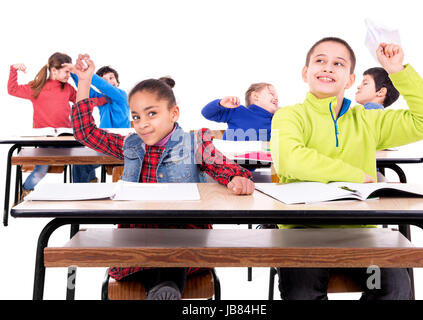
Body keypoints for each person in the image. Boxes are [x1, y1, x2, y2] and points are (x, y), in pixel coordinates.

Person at [270, 37, 423, 300]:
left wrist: (397, 71)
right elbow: (291, 160)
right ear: (306, 73)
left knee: (393, 285)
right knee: (302, 291)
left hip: (360, 235)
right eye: (320, 61)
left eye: (338, 64)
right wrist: (355, 175)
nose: (328, 68)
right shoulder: (290, 116)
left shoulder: (368, 120)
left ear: (350, 80)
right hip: (303, 233)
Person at [71, 53, 254, 300]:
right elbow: (85, 133)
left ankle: (164, 290)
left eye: (151, 114)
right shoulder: (131, 144)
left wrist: (235, 179)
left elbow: (226, 168)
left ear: (174, 113)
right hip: (137, 237)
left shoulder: (194, 143)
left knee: (173, 254)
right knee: (146, 257)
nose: (142, 124)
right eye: (135, 116)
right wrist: (84, 82)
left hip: (184, 236)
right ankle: (163, 290)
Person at [7, 52, 107, 198]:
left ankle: (89, 180)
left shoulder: (67, 88)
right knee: (41, 170)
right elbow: (12, 90)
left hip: (66, 137)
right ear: (54, 71)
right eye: (66, 72)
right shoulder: (37, 88)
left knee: (88, 153)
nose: (69, 75)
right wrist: (13, 69)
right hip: (46, 140)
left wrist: (103, 100)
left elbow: (82, 101)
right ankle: (24, 191)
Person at [71, 65, 130, 183]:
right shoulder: (101, 99)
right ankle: (87, 187)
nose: (109, 82)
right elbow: (84, 85)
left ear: (117, 82)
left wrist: (88, 74)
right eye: (104, 79)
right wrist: (73, 72)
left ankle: (89, 184)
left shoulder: (122, 96)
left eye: (111, 78)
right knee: (80, 163)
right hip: (105, 142)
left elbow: (105, 87)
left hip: (121, 145)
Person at [201, 83, 279, 141]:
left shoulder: (276, 121)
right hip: (229, 158)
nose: (276, 98)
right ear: (256, 96)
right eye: (272, 94)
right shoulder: (238, 111)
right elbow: (207, 113)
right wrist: (220, 104)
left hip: (260, 161)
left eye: (277, 97)